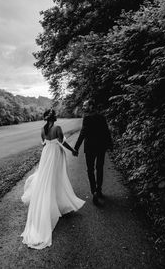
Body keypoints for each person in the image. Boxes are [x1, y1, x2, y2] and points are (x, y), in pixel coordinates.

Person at [21, 109, 85, 249]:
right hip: (55, 155)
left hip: (46, 155)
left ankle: (54, 203)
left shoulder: (42, 130)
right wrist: (73, 150)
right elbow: (62, 142)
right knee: (55, 179)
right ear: (54, 118)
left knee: (46, 179)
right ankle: (55, 204)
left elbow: (44, 144)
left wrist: (52, 144)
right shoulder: (58, 128)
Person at [74, 99, 113, 206]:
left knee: (90, 170)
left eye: (85, 105)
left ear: (91, 106)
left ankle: (94, 191)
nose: (83, 107)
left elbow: (83, 134)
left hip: (90, 148)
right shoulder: (102, 117)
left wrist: (76, 148)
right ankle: (99, 190)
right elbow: (106, 132)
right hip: (101, 147)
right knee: (99, 168)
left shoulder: (87, 118)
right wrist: (110, 145)